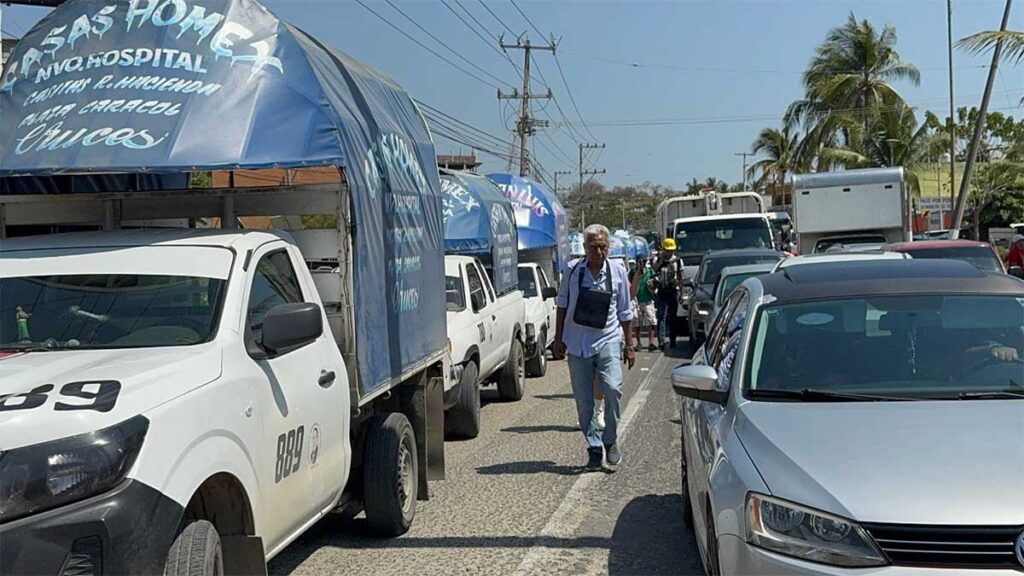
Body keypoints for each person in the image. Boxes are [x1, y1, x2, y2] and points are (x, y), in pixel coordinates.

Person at [552, 224, 635, 471]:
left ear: (608, 247)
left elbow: (625, 312)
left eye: (603, 247)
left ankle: (610, 438)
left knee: (612, 388)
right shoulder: (572, 271)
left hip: (608, 338)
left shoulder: (618, 271)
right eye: (593, 247)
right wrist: (559, 339)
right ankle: (594, 446)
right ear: (585, 248)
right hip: (578, 342)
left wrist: (629, 346)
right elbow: (563, 304)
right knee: (584, 402)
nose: (599, 251)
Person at [652, 238, 683, 349]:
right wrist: (660, 261)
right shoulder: (657, 259)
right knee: (661, 316)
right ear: (663, 249)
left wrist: (681, 292)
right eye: (667, 250)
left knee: (672, 317)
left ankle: (672, 339)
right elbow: (653, 270)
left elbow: (680, 277)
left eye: (671, 250)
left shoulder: (678, 261)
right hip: (661, 290)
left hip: (673, 291)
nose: (669, 253)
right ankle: (661, 341)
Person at [629, 257, 658, 350]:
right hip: (636, 301)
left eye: (644, 261)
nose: (642, 263)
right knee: (636, 322)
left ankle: (651, 342)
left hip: (648, 300)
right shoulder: (632, 273)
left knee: (651, 321)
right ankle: (638, 343)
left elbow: (656, 284)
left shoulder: (650, 272)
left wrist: (652, 286)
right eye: (640, 261)